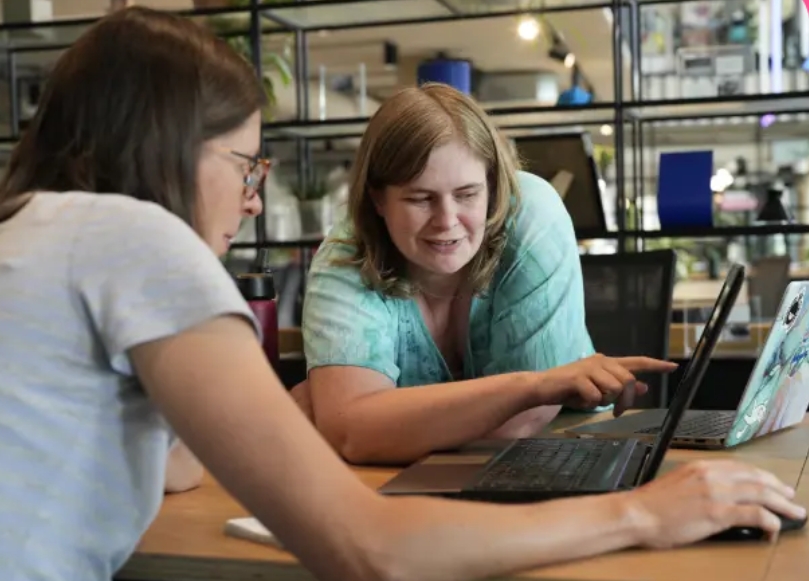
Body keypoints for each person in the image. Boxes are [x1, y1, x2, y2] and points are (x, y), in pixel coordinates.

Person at [0, 7, 803, 581]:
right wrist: (645, 513)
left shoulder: (32, 230)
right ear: (169, 151)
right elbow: (368, 547)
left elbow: (172, 470)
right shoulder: (138, 243)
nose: (251, 200)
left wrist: (276, 407)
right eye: (246, 165)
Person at [298, 83, 671, 465]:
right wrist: (533, 386)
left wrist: (387, 426)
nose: (447, 221)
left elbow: (522, 423)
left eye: (467, 194)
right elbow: (350, 432)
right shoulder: (347, 253)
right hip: (395, 485)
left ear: (493, 187)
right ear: (378, 199)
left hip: (553, 456)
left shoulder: (532, 213)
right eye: (420, 198)